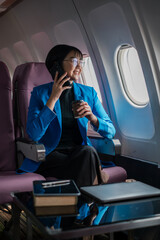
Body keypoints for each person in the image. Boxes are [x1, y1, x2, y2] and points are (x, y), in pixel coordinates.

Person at [19, 44, 116, 187]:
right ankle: (94, 194)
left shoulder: (89, 93)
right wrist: (53, 98)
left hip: (79, 154)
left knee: (87, 152)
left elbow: (111, 132)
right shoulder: (40, 93)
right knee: (87, 159)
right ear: (56, 65)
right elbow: (34, 134)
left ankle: (85, 203)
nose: (79, 67)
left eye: (81, 62)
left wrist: (92, 117)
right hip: (51, 156)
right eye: (74, 61)